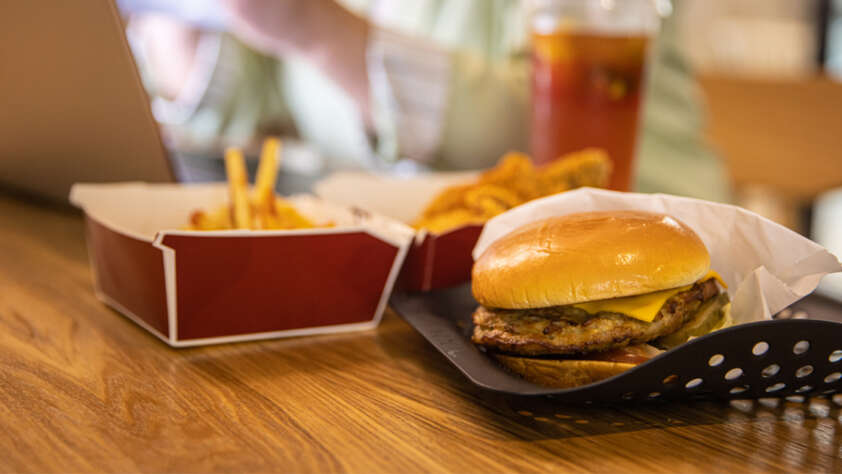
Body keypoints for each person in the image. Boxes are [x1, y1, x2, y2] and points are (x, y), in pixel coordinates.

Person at [125, 0, 731, 202]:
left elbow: (549, 136)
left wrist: (312, 24)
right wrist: (174, 15)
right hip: (415, 304)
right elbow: (244, 91)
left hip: (654, 235)